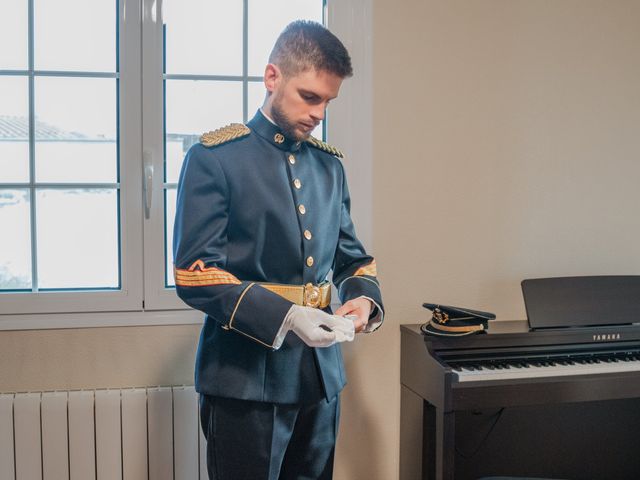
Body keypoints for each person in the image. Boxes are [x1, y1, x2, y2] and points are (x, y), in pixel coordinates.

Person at [173, 20, 384, 480]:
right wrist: (287, 316)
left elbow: (353, 258)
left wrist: (363, 301)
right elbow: (195, 273)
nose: (318, 113)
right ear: (273, 77)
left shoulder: (329, 166)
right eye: (310, 97)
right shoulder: (215, 159)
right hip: (245, 379)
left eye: (327, 101)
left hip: (321, 376)